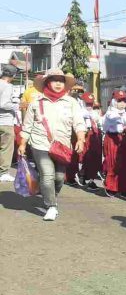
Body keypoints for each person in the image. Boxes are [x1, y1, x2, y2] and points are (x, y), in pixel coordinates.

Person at [18, 69, 86, 221]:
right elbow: (27, 126)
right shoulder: (36, 102)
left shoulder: (71, 102)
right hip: (40, 143)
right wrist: (22, 144)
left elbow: (79, 123)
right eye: (54, 80)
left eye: (61, 80)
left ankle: (51, 196)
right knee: (47, 174)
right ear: (47, 82)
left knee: (59, 177)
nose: (58, 83)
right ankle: (51, 206)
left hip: (62, 145)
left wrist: (81, 139)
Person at [103, 90, 126, 198]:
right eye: (119, 101)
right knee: (113, 163)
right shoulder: (110, 113)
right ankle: (111, 187)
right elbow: (114, 119)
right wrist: (124, 121)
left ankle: (125, 188)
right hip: (112, 138)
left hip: (124, 138)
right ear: (114, 101)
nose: (122, 103)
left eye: (124, 101)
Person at [78, 92, 103, 191]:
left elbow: (100, 122)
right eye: (87, 104)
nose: (89, 106)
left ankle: (91, 179)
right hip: (84, 136)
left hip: (94, 136)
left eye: (91, 104)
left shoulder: (94, 113)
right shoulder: (80, 112)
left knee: (95, 158)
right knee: (85, 158)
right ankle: (83, 176)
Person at [0, 65, 19, 182]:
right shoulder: (7, 86)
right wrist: (17, 106)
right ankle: (3, 172)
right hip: (5, 121)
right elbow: (4, 104)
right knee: (6, 148)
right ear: (13, 75)